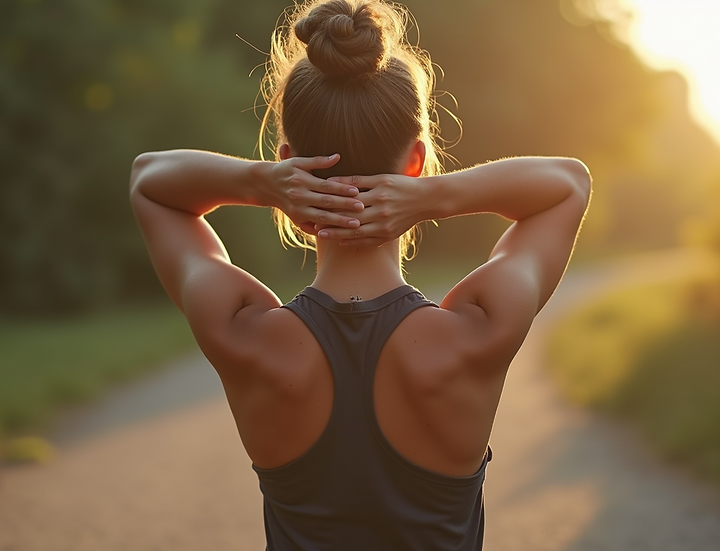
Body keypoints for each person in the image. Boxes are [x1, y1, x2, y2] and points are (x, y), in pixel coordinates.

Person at [129, 0, 590, 548]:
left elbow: (149, 182)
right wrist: (436, 196)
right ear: (417, 162)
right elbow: (568, 185)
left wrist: (261, 183)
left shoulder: (243, 331)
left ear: (287, 158)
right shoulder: (477, 330)